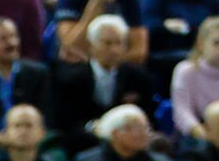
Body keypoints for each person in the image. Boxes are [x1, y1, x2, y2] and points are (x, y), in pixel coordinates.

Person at [50, 13, 155, 150]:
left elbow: (147, 115)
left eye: (119, 43)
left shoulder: (138, 78)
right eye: (107, 43)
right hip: (83, 141)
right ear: (91, 46)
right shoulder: (70, 79)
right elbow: (64, 122)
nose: (114, 50)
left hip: (128, 140)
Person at [170, 15, 219, 138]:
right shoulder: (186, 72)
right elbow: (182, 113)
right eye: (216, 43)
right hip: (195, 137)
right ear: (201, 44)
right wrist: (204, 135)